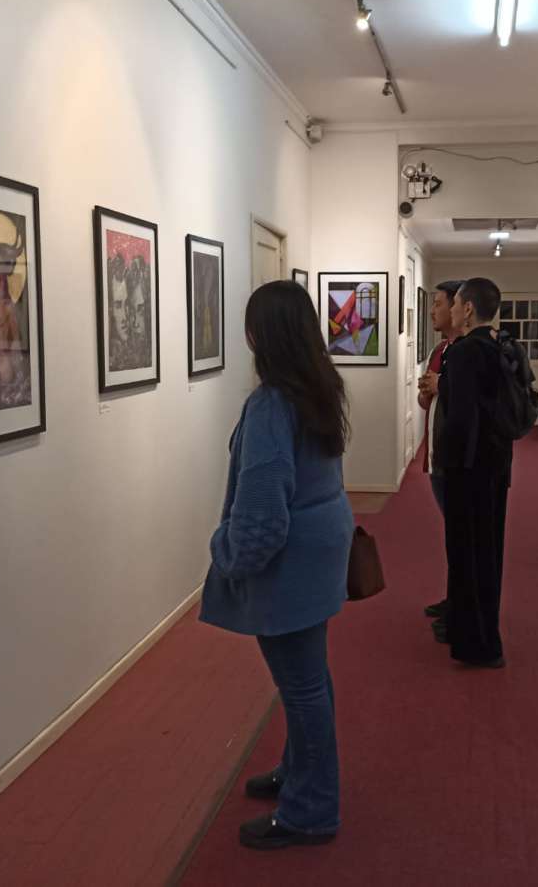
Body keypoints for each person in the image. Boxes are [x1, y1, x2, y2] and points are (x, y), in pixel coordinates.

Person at [199, 280, 353, 850]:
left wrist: (226, 554)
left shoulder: (270, 404)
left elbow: (261, 517)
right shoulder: (317, 388)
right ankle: (299, 772)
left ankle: (311, 809)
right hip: (321, 551)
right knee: (309, 678)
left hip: (292, 564)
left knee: (302, 684)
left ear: (258, 336)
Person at [437, 276, 512, 667]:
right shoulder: (498, 347)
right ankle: (480, 635)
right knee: (487, 553)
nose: (448, 310)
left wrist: (449, 465)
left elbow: (461, 418)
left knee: (468, 555)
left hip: (468, 470)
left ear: (467, 309)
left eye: (454, 304)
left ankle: (477, 643)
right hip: (495, 465)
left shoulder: (466, 352)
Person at [416, 280, 462, 622]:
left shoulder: (469, 351)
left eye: (438, 304)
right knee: (453, 533)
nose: (432, 310)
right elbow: (425, 401)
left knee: (462, 534)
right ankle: (454, 596)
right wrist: (427, 391)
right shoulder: (439, 350)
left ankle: (462, 603)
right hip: (436, 457)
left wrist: (443, 386)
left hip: (458, 458)